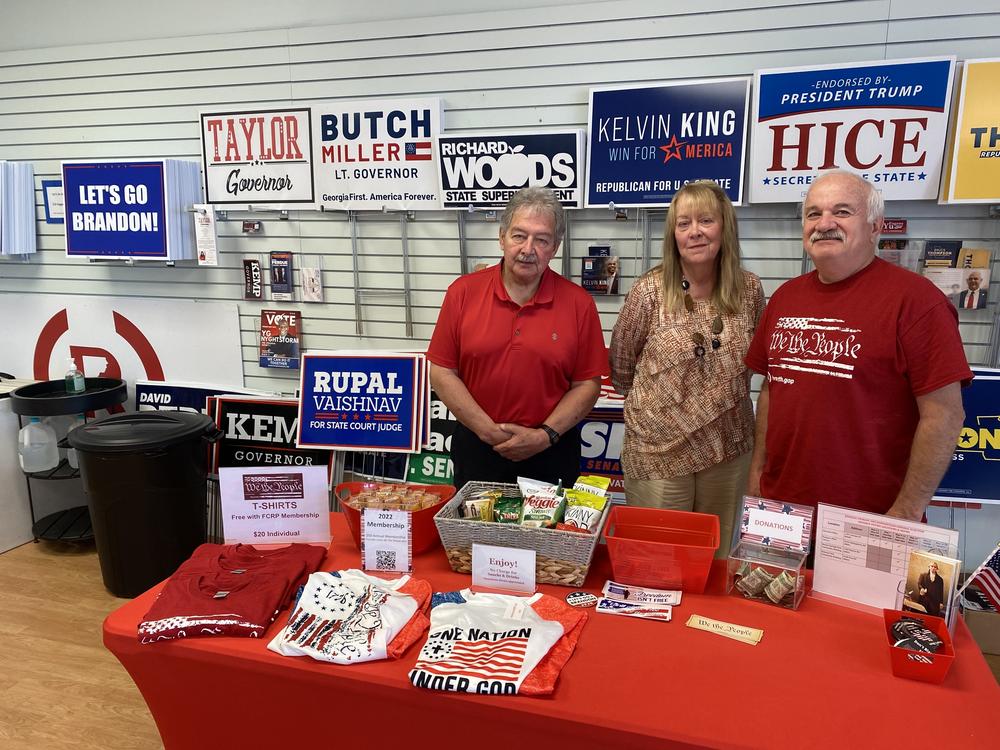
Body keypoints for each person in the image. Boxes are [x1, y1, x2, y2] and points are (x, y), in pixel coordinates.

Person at [746, 170, 971, 520]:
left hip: (872, 516)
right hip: (781, 508)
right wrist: (757, 473)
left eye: (842, 211)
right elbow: (772, 390)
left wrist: (908, 510)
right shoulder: (785, 298)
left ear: (875, 227)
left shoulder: (917, 301)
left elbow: (944, 414)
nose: (824, 223)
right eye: (813, 213)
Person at [609, 181, 764, 556]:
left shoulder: (750, 290)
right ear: (672, 234)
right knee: (659, 560)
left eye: (706, 220)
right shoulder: (648, 292)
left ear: (724, 227)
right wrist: (668, 411)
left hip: (729, 447)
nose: (694, 231)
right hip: (659, 453)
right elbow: (621, 367)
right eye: (684, 223)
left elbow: (757, 360)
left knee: (717, 557)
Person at [427, 187, 607, 488]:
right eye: (519, 235)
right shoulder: (462, 293)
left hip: (551, 450)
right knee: (474, 536)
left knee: (549, 537)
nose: (528, 248)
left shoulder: (578, 303)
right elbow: (442, 371)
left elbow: (587, 385)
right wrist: (487, 431)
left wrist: (544, 435)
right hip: (478, 449)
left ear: (555, 246)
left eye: (542, 239)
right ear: (502, 237)